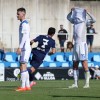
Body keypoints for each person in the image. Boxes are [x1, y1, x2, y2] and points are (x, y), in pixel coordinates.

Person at [67, 7, 91, 88]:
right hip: (76, 45)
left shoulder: (84, 21)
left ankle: (87, 83)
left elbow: (94, 20)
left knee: (84, 64)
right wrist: (71, 12)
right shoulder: (74, 22)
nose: (77, 16)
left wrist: (87, 13)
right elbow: (67, 17)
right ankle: (75, 84)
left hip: (82, 45)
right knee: (75, 64)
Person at [16, 7, 31, 91]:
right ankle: (27, 86)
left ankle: (23, 86)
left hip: (25, 48)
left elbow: (25, 36)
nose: (17, 15)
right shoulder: (23, 23)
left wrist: (20, 47)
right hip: (25, 48)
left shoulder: (24, 24)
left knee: (22, 66)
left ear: (23, 14)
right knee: (23, 66)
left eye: (18, 14)